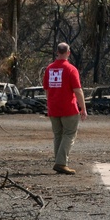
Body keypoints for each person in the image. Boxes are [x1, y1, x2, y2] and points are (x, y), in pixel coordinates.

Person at [42, 42, 87, 175]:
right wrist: (83, 108)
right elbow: (78, 90)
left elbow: (47, 90)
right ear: (68, 52)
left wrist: (49, 104)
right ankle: (61, 163)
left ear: (57, 52)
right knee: (69, 134)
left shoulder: (49, 69)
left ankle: (58, 161)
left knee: (58, 135)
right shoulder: (71, 69)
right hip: (68, 108)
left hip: (53, 107)